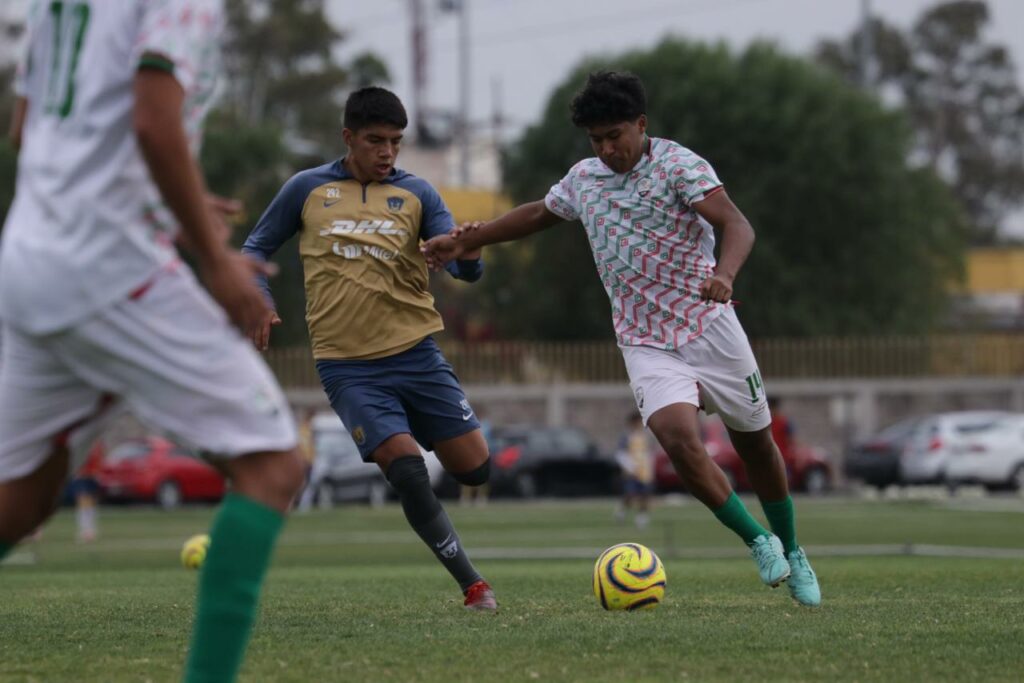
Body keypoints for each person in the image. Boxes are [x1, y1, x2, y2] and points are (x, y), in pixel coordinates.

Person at [423, 71, 821, 607]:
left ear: (641, 124)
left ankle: (794, 550)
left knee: (756, 445)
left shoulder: (680, 166)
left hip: (710, 324)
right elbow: (539, 214)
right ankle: (758, 541)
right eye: (596, 140)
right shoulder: (584, 179)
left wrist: (724, 275)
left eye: (615, 136)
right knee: (676, 438)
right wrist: (468, 240)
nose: (607, 149)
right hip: (644, 339)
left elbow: (738, 224)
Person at [0, 3, 307, 682]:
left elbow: (28, 128)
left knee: (21, 500)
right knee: (272, 465)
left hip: (30, 255)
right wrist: (215, 258)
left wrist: (173, 198)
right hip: (109, 263)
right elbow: (152, 120)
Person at [241, 86, 497, 611]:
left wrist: (468, 255)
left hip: (417, 354)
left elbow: (463, 265)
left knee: (475, 469)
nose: (387, 152)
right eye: (375, 141)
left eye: (396, 143)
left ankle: (412, 426)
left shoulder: (419, 193)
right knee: (406, 469)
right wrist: (260, 301)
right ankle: (474, 586)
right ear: (348, 138)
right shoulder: (306, 189)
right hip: (348, 366)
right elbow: (255, 249)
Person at [614, 412, 655, 529]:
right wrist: (629, 468)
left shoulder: (647, 436)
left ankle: (641, 518)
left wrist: (650, 467)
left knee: (645, 495)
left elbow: (650, 453)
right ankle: (622, 511)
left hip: (645, 471)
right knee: (630, 494)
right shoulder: (626, 437)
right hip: (631, 471)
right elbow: (620, 454)